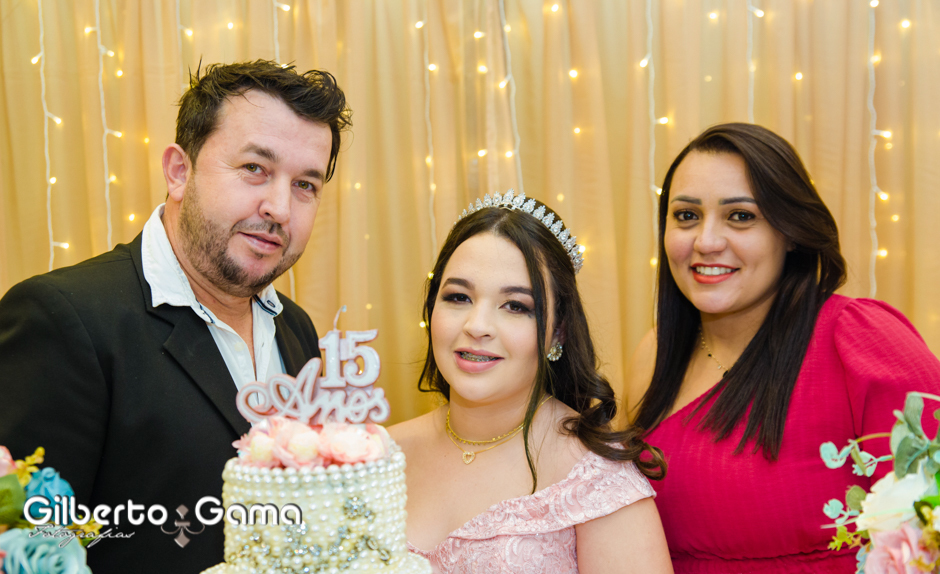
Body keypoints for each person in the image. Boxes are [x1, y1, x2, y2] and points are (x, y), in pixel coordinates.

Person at [0, 60, 351, 573]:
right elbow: (29, 547)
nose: (279, 207)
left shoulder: (296, 329)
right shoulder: (62, 319)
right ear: (179, 171)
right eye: (255, 168)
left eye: (305, 185)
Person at [626, 123, 940, 573]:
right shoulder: (656, 353)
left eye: (740, 216)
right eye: (687, 215)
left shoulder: (860, 339)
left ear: (790, 232)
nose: (706, 242)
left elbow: (930, 527)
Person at [390, 191, 673, 574]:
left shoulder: (598, 481)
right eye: (458, 297)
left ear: (558, 331)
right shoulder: (380, 455)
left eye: (516, 306)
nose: (477, 326)